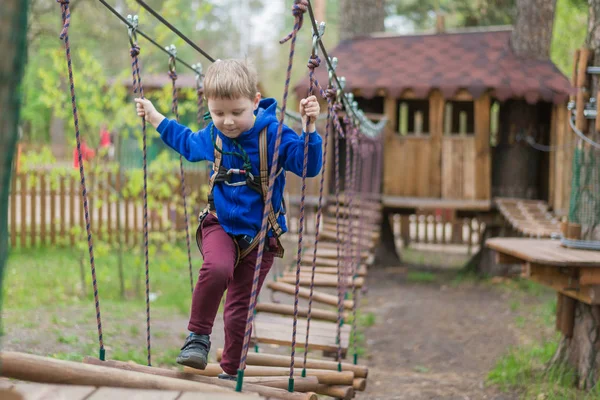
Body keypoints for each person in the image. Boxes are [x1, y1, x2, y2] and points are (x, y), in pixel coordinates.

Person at [134, 59, 322, 380]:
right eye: (219, 113)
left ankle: (231, 372)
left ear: (256, 102)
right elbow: (186, 142)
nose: (228, 121)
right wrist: (155, 117)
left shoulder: (274, 135)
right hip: (219, 223)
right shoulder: (213, 135)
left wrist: (309, 128)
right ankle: (198, 337)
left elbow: (308, 166)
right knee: (216, 268)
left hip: (259, 238)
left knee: (237, 311)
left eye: (236, 112)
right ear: (209, 107)